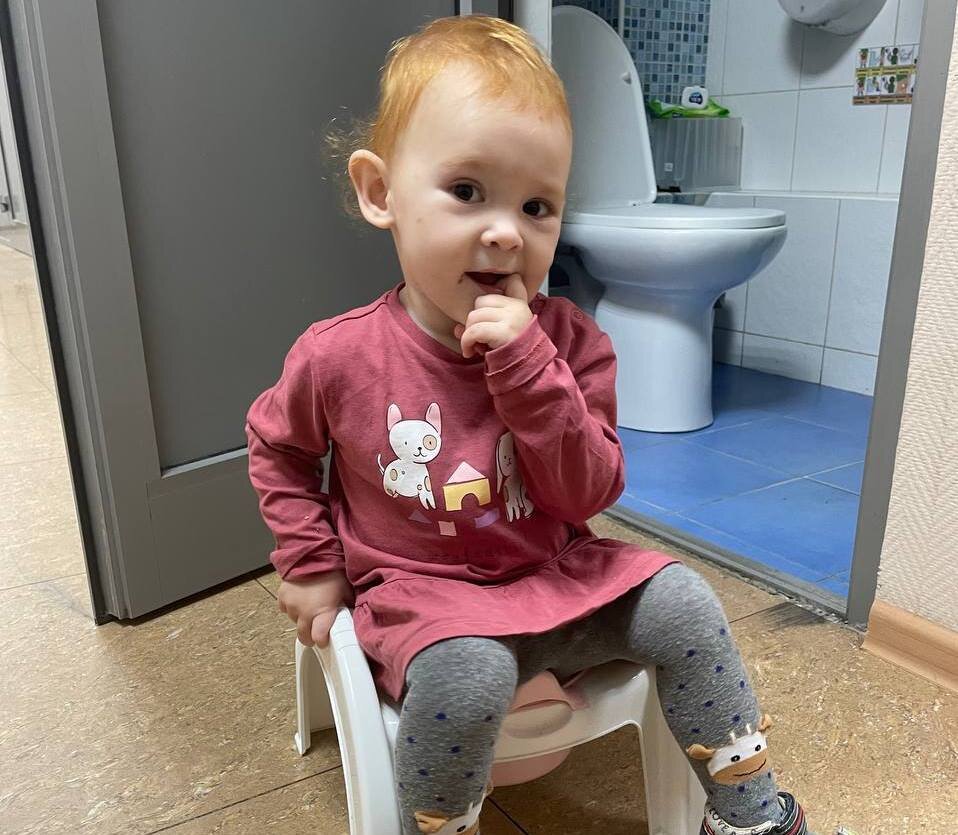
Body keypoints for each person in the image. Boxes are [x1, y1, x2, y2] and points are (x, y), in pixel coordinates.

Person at [246, 15, 833, 835]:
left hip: (558, 574)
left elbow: (589, 491)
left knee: (686, 601)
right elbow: (278, 446)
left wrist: (529, 369)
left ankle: (750, 816)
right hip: (425, 597)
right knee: (470, 677)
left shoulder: (571, 342)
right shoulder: (339, 355)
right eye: (466, 191)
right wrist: (310, 563)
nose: (505, 231)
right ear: (382, 193)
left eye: (536, 205)